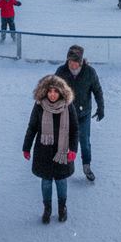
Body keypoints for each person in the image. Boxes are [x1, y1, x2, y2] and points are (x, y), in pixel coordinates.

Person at [22, 74, 79, 224]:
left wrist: (73, 149)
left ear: (61, 92)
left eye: (55, 91)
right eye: (49, 91)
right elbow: (32, 127)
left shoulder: (68, 105)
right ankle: (47, 209)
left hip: (63, 151)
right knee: (46, 181)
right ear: (45, 92)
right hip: (43, 151)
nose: (52, 94)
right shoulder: (39, 105)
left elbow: (74, 129)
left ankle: (62, 208)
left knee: (61, 181)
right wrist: (26, 147)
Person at [54, 45, 104, 182]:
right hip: (66, 113)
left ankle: (86, 166)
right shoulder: (61, 72)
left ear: (81, 61)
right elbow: (53, 90)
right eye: (70, 61)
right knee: (64, 141)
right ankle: (64, 166)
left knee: (85, 142)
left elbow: (97, 90)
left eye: (75, 62)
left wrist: (101, 107)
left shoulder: (89, 72)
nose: (72, 64)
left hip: (84, 115)